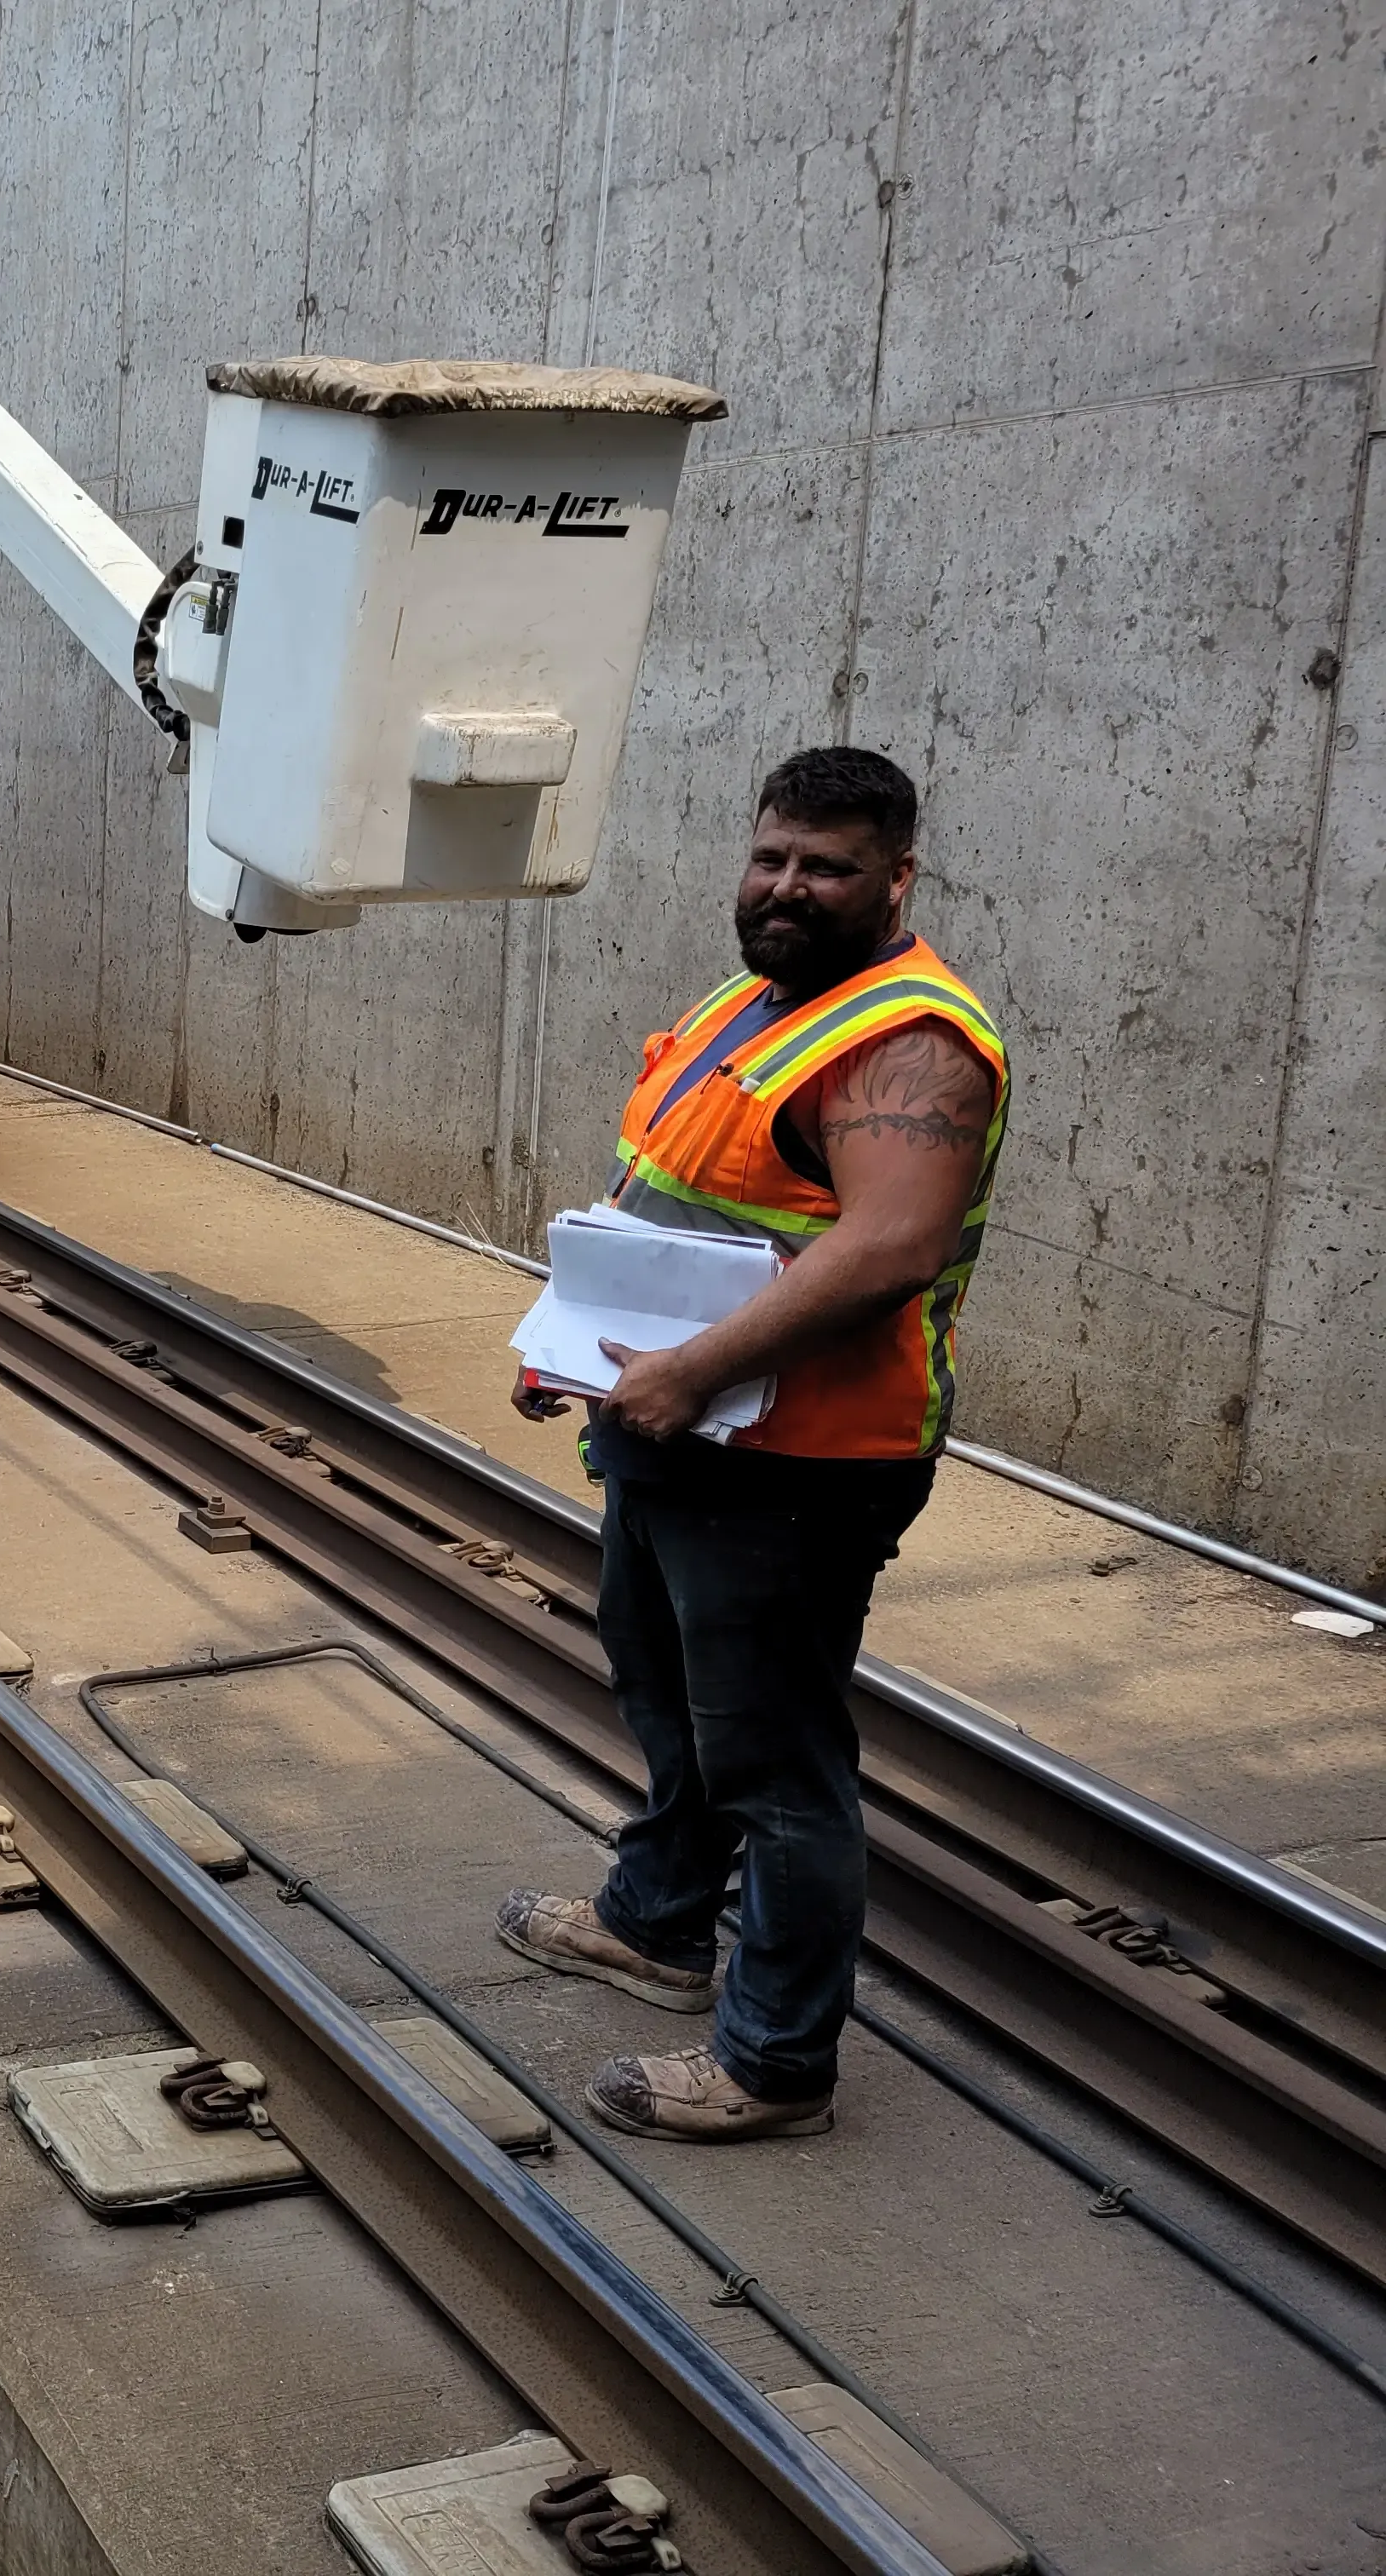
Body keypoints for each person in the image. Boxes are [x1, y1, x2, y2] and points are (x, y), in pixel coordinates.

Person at [499, 747, 1008, 2143]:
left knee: (777, 1760)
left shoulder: (907, 1039)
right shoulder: (758, 999)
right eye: (773, 855)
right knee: (667, 1695)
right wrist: (572, 1344)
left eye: (828, 864)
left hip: (799, 1459)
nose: (789, 885)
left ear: (894, 877)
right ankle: (658, 1924)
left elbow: (889, 1244)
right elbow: (672, 1195)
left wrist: (691, 1371)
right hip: (678, 1423)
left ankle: (777, 2061)